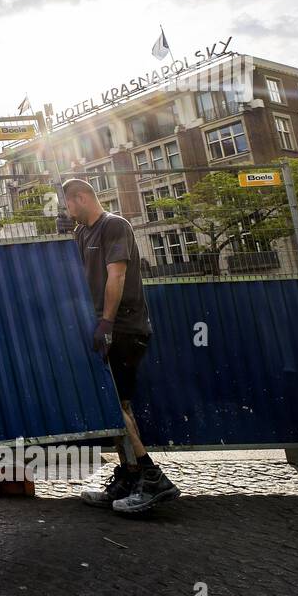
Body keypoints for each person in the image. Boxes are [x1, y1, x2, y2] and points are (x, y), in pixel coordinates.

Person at [61, 178, 180, 515]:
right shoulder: (82, 233)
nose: (67, 211)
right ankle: (129, 476)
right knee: (114, 403)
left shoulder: (115, 226)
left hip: (125, 327)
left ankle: (151, 477)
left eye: (68, 205)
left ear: (81, 198)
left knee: (119, 405)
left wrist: (107, 322)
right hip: (104, 325)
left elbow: (117, 275)